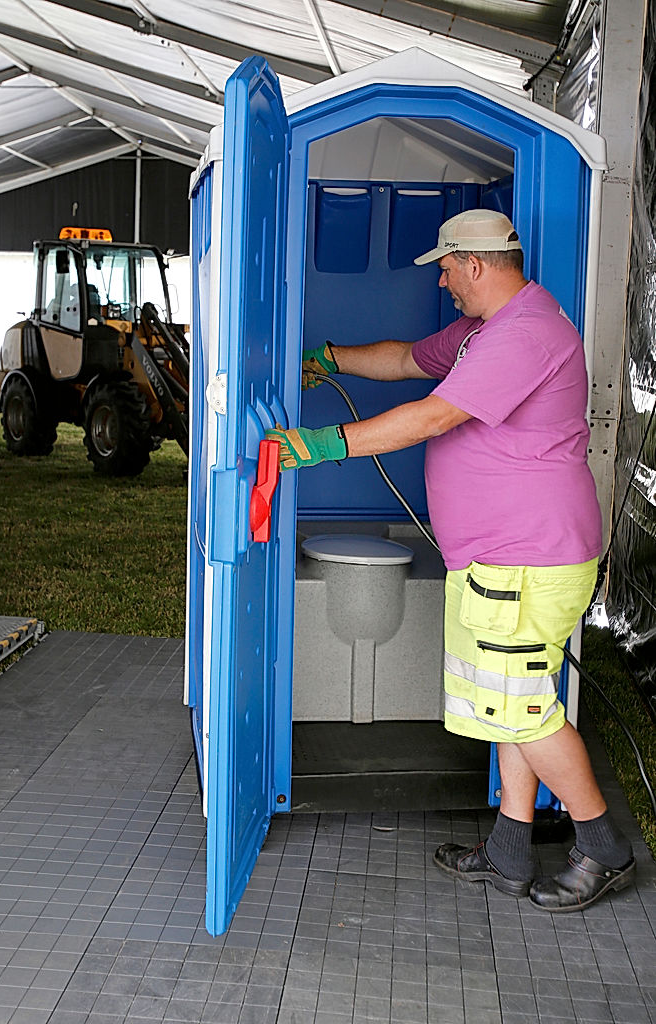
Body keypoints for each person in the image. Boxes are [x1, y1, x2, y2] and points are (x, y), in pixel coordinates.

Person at [266, 208, 636, 912]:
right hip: (498, 559)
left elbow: (437, 414)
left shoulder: (527, 334)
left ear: (474, 263)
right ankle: (506, 853)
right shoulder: (482, 332)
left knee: (524, 708)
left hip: (528, 558)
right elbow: (406, 358)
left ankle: (601, 846)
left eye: (444, 266)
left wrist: (326, 444)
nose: (440, 280)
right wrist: (332, 358)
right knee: (506, 703)